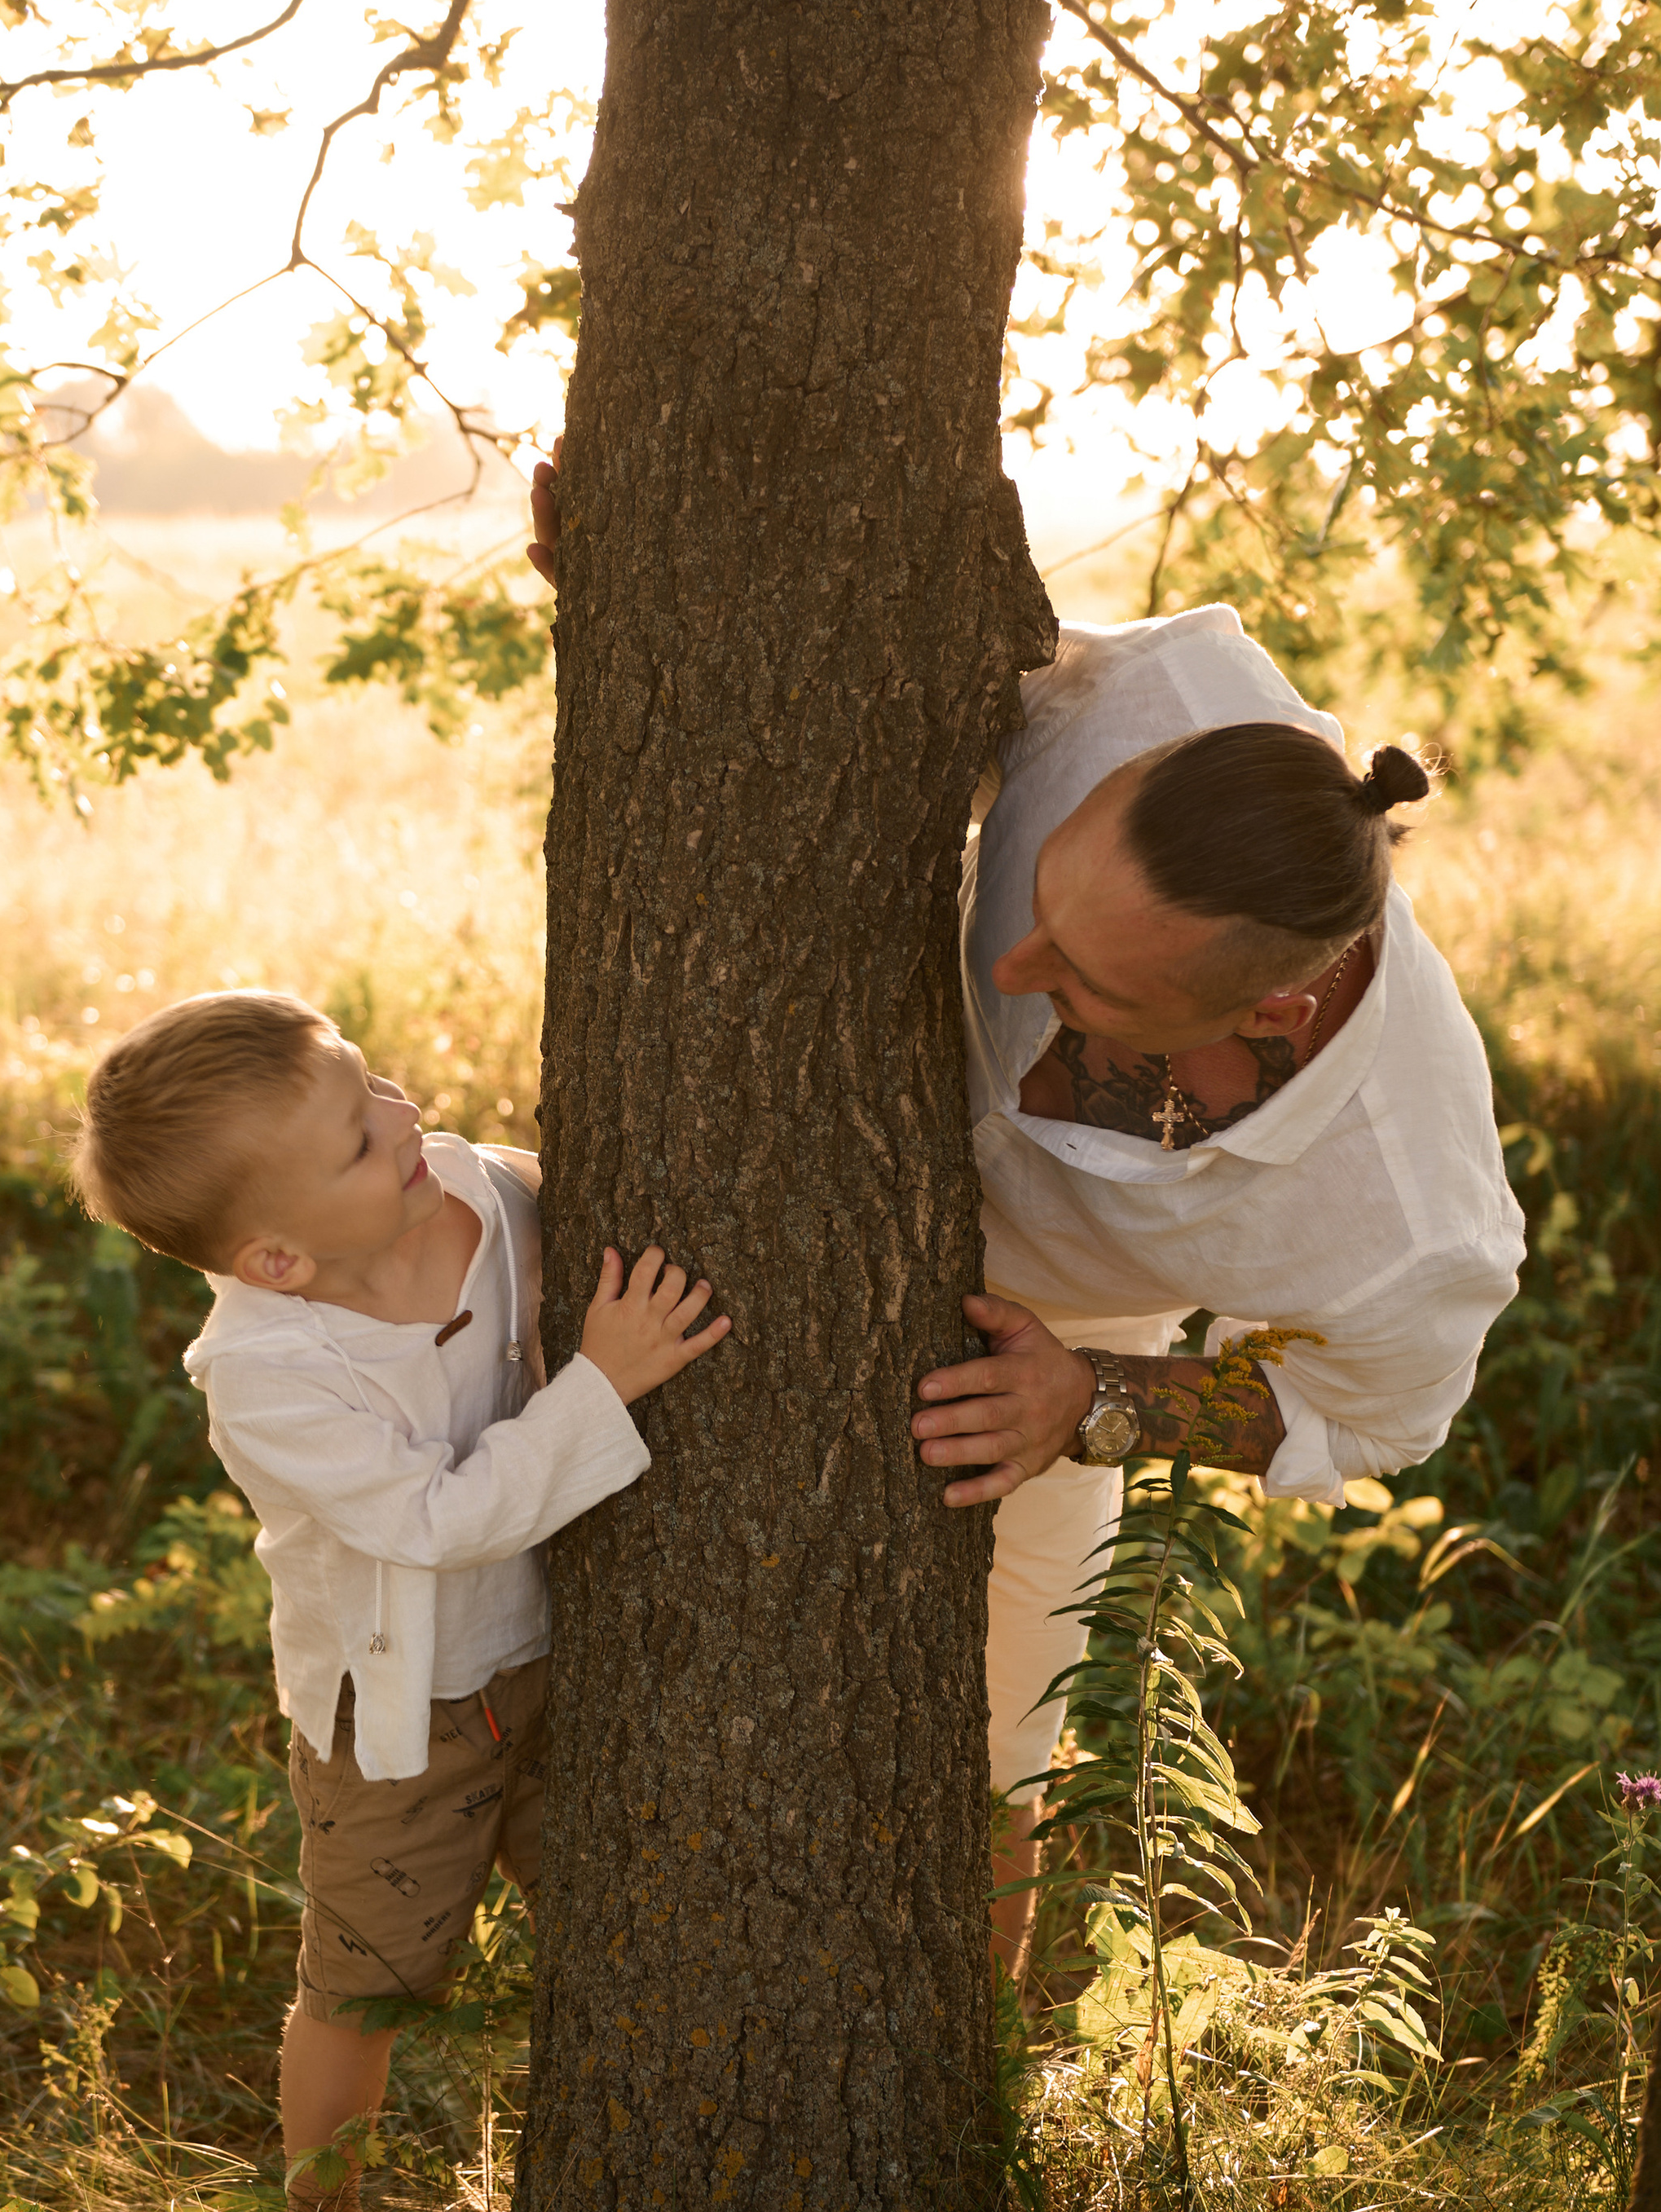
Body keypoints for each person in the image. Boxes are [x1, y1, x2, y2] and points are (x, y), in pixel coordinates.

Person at [527, 465, 1525, 1959]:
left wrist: (1098, 1400)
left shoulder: (1401, 1217)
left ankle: (961, 2087)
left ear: (1275, 1002)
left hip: (1052, 1353)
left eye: (1090, 983)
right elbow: (886, 672)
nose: (1013, 973)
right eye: (1042, 898)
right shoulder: (1162, 694)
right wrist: (656, 591)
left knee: (994, 1750)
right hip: (759, 1217)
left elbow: (1369, 1416)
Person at [73, 988, 730, 2212]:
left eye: (372, 1084)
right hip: (402, 1713)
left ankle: (664, 2178)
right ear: (278, 1257)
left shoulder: (476, 1190)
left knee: (631, 1909)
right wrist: (605, 1385)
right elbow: (433, 1522)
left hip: (564, 1650)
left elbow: (546, 1224)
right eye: (360, 1136)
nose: (405, 1114)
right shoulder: (269, 1378)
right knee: (366, 1980)